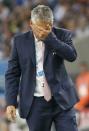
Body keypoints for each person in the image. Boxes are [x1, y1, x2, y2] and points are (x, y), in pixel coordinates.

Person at [5, 5, 79, 131]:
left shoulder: (62, 35)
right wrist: (11, 102)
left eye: (47, 28)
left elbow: (72, 56)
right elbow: (13, 73)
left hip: (62, 100)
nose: (42, 33)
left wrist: (51, 39)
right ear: (31, 24)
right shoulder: (19, 41)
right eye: (39, 28)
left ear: (52, 23)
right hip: (35, 103)